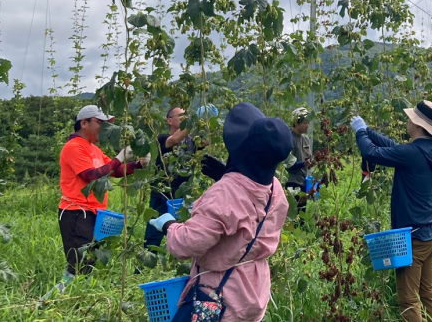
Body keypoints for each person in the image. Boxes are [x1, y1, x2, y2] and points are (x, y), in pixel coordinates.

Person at [149, 103, 292, 322]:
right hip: (253, 290)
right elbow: (246, 212)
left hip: (220, 296)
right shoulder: (275, 189)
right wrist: (226, 175)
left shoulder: (224, 194)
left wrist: (169, 225)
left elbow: (186, 243)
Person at [351, 101, 432, 322]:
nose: (407, 121)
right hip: (431, 234)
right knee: (426, 292)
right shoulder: (429, 151)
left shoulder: (412, 153)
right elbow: (394, 146)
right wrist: (369, 131)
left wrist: (361, 132)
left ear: (416, 124)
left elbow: (371, 153)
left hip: (414, 239)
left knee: (408, 300)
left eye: (410, 118)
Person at [56, 105, 150, 286]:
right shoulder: (74, 147)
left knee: (88, 262)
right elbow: (90, 175)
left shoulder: (93, 149)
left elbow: (115, 171)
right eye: (100, 123)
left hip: (93, 213)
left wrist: (139, 164)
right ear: (84, 123)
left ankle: (74, 299)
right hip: (76, 213)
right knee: (79, 265)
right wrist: (119, 157)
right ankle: (54, 301)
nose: (105, 128)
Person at [144, 107, 196, 249]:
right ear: (169, 121)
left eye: (187, 115)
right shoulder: (161, 140)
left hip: (183, 198)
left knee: (183, 234)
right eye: (182, 116)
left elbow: (208, 141)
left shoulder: (191, 141)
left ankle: (174, 266)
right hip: (162, 194)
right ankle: (142, 267)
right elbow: (175, 139)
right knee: (153, 235)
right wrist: (193, 120)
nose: (185, 118)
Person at [282, 106, 314, 213]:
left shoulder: (305, 139)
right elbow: (288, 163)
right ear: (296, 123)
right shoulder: (289, 138)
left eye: (307, 123)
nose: (307, 125)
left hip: (303, 181)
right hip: (292, 182)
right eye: (304, 123)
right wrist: (303, 164)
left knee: (302, 214)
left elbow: (308, 158)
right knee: (293, 214)